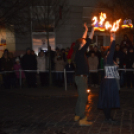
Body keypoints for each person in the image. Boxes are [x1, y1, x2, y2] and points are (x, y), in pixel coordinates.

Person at [73, 23, 94, 126]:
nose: (85, 43)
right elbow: (88, 40)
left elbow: (84, 38)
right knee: (84, 98)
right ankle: (82, 118)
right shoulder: (80, 52)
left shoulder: (79, 52)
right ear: (81, 45)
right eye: (84, 43)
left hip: (80, 78)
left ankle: (77, 115)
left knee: (81, 97)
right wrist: (93, 29)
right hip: (81, 78)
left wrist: (86, 29)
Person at [98, 33, 120, 123]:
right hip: (109, 82)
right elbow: (112, 50)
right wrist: (113, 39)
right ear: (107, 53)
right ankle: (108, 118)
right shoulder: (109, 58)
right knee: (109, 100)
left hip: (107, 81)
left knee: (107, 100)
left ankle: (107, 117)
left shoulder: (107, 60)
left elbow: (116, 66)